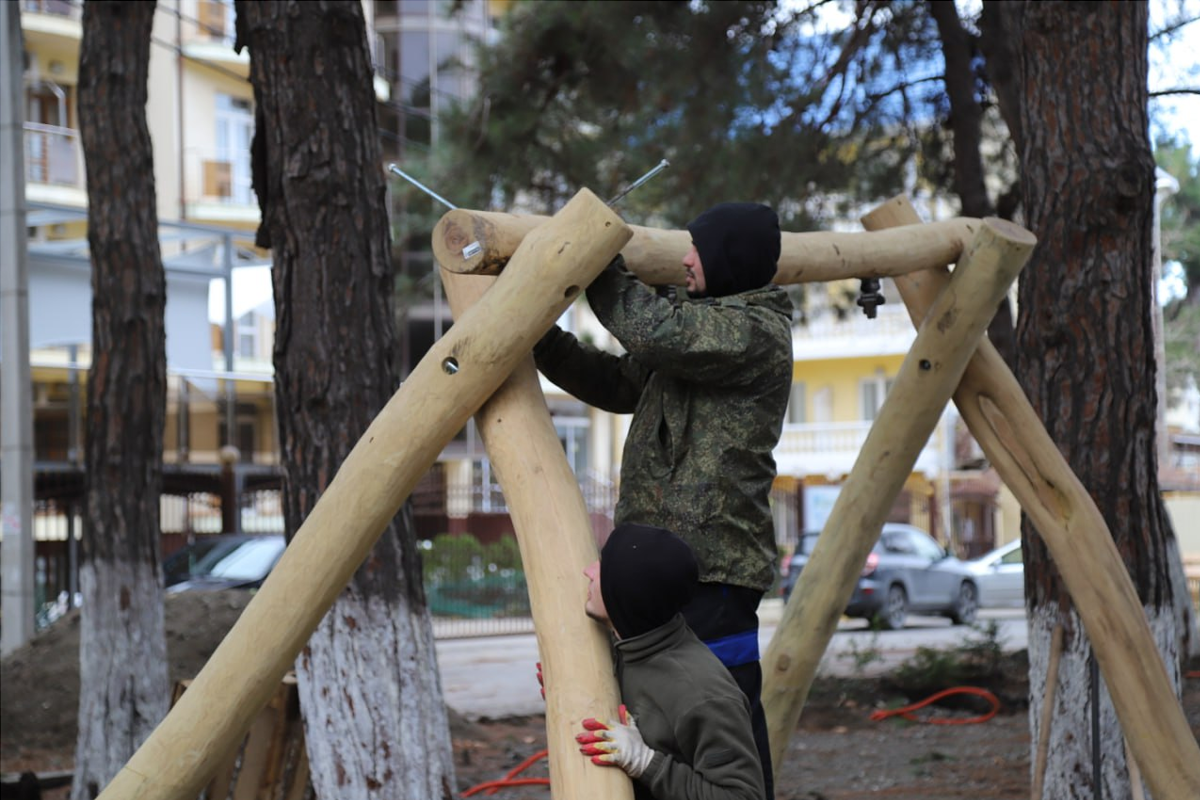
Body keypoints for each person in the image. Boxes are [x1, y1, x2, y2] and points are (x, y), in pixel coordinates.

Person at [534, 202, 792, 794]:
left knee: (719, 726)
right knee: (651, 719)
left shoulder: (754, 333)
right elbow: (615, 381)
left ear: (730, 259)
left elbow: (655, 331)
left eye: (696, 250)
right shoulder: (696, 336)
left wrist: (595, 257)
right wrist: (539, 336)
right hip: (657, 569)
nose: (683, 260)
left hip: (714, 574)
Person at [575, 522, 766, 800]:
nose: (587, 571)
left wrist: (645, 763)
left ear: (627, 592)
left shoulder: (702, 694)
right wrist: (572, 688)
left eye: (603, 567)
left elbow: (743, 795)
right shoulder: (630, 644)